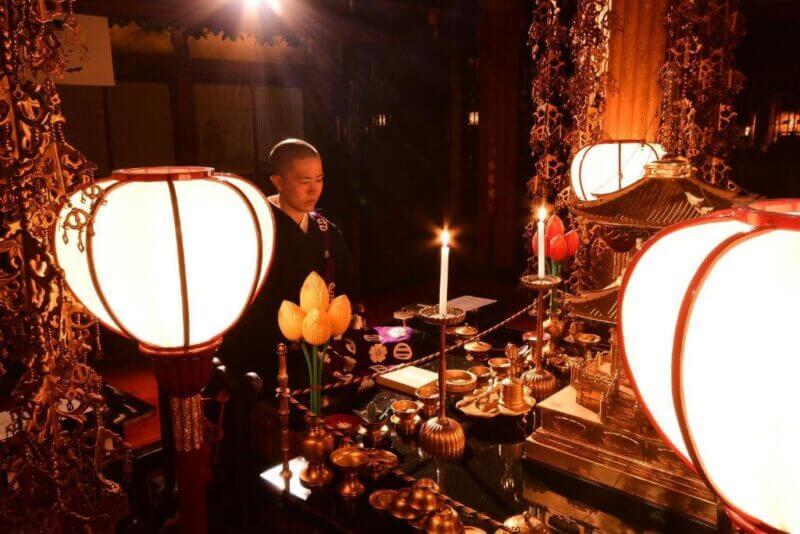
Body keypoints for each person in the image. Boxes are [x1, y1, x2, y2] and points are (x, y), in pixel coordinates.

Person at [219, 138, 356, 392]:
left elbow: (345, 287)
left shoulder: (326, 230)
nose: (314, 190)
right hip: (269, 351)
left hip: (322, 341)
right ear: (277, 182)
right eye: (304, 182)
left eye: (319, 179)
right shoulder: (257, 232)